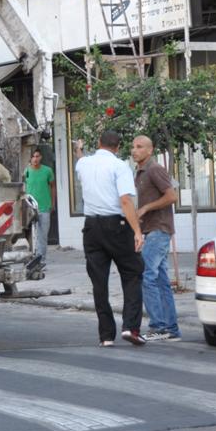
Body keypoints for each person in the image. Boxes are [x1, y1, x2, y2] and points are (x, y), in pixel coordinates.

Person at [74, 131, 146, 347]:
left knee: (99, 282)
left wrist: (78, 148)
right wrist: (137, 231)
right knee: (133, 272)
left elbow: (80, 160)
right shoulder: (119, 166)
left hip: (92, 228)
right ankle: (130, 327)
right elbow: (125, 201)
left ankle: (105, 336)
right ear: (118, 147)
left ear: (98, 143)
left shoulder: (84, 164)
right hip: (117, 225)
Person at [130, 135, 181, 342]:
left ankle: (158, 326)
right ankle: (171, 329)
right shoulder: (140, 172)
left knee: (146, 275)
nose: (134, 150)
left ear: (150, 150)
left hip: (160, 228)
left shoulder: (154, 169)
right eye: (133, 147)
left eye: (139, 147)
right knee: (161, 280)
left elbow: (172, 196)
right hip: (150, 229)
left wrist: (146, 208)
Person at [23, 148, 55, 266]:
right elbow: (23, 187)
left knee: (43, 235)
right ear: (30, 159)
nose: (35, 159)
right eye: (33, 157)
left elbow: (52, 187)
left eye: (37, 156)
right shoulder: (26, 171)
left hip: (44, 206)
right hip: (30, 208)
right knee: (31, 235)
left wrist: (53, 203)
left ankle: (42, 260)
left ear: (41, 157)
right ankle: (31, 259)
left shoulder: (48, 171)